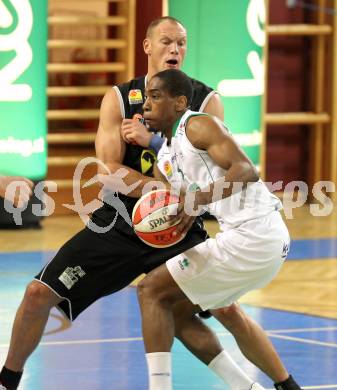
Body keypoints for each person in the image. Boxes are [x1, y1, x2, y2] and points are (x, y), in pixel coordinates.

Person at [0, 17, 296, 390]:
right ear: (147, 46)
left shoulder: (205, 102)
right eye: (167, 41)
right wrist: (155, 190)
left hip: (177, 223)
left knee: (224, 310)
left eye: (182, 43)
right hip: (120, 221)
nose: (175, 49)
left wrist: (164, 169)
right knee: (37, 293)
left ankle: (279, 385)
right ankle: (8, 381)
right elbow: (107, 170)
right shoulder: (119, 98)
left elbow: (206, 167)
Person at [137, 69, 302, 390]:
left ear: (179, 102)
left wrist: (197, 199)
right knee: (188, 311)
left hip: (254, 234)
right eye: (146, 98)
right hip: (253, 241)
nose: (146, 105)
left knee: (150, 291)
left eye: (156, 96)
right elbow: (171, 210)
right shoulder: (165, 159)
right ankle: (275, 387)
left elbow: (246, 169)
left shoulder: (196, 124)